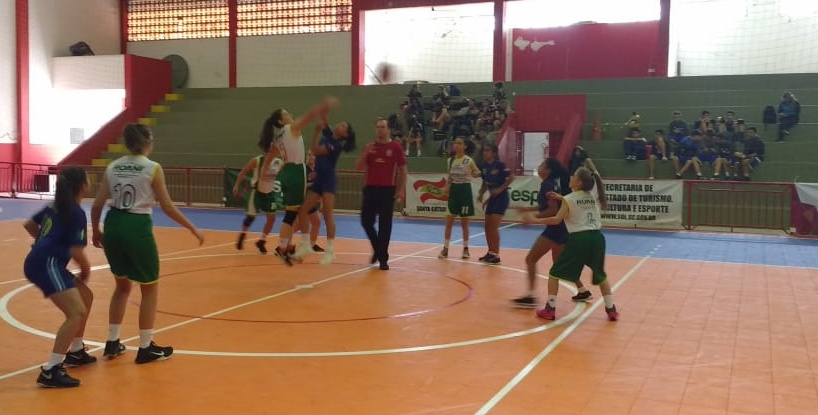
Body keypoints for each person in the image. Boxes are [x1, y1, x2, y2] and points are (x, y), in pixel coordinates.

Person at [91, 123, 205, 365]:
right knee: (149, 288)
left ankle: (112, 341)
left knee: (122, 287)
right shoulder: (152, 168)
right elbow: (167, 206)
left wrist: (95, 231)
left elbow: (97, 204)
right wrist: (191, 227)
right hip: (137, 226)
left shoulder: (113, 166)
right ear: (148, 142)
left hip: (113, 224)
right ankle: (145, 346)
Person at [23, 167, 94, 388]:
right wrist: (86, 270)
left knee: (86, 296)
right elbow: (76, 251)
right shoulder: (76, 212)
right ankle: (51, 370)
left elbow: (29, 225)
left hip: (41, 260)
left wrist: (45, 242)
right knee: (76, 312)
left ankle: (76, 350)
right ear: (82, 186)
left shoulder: (56, 206)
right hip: (47, 263)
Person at [522, 167, 619, 321]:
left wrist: (533, 220)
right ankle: (611, 309)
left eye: (574, 176)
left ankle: (550, 309)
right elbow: (577, 200)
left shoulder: (569, 199)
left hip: (579, 239)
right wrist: (562, 197)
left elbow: (556, 220)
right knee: (600, 275)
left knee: (554, 274)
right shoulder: (592, 195)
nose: (571, 177)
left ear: (578, 183)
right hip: (598, 238)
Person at [259, 97, 338, 265]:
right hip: (296, 171)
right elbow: (309, 115)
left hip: (286, 172)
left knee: (293, 212)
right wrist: (323, 105)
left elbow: (268, 159)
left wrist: (264, 175)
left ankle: (287, 246)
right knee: (299, 210)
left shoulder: (277, 137)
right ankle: (297, 245)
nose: (290, 115)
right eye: (286, 114)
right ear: (281, 121)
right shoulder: (291, 128)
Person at [512, 158, 591, 308]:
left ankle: (530, 296)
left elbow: (552, 210)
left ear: (548, 170)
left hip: (555, 229)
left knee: (531, 259)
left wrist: (532, 218)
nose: (539, 167)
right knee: (559, 263)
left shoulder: (547, 185)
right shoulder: (553, 183)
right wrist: (528, 209)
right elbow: (548, 206)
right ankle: (582, 290)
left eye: (542, 165)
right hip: (562, 227)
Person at [295, 114, 356, 265]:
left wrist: (316, 132)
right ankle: (305, 245)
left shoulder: (336, 145)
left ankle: (330, 251)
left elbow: (315, 150)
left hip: (328, 180)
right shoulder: (329, 135)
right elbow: (324, 120)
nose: (339, 125)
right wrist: (325, 106)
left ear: (345, 134)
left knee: (327, 214)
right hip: (319, 179)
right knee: (303, 210)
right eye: (340, 123)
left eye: (343, 125)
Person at [356, 117, 408, 270]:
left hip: (387, 190)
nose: (379, 129)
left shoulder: (395, 147)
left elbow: (403, 170)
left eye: (382, 127)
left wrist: (400, 190)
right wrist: (365, 153)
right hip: (370, 189)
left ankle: (383, 258)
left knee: (385, 224)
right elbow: (358, 167)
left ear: (388, 130)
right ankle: (377, 249)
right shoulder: (370, 146)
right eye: (377, 127)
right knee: (366, 221)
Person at [232, 134, 284, 254]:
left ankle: (262, 241)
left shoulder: (279, 162)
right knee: (251, 217)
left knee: (272, 219)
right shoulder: (257, 160)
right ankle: (243, 234)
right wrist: (236, 185)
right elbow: (243, 173)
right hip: (257, 193)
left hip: (269, 193)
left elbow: (287, 170)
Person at [438, 137, 482, 260]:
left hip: (464, 191)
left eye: (459, 143)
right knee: (449, 222)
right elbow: (450, 178)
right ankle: (445, 249)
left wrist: (477, 173)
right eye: (455, 143)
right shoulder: (450, 160)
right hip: (454, 191)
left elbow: (476, 172)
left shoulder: (469, 160)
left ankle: (466, 249)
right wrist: (446, 188)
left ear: (464, 146)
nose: (456, 145)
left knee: (464, 223)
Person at [476, 143, 513, 264]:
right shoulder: (483, 166)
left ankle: (496, 255)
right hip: (492, 198)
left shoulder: (500, 165)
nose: (485, 153)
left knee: (493, 227)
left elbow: (511, 177)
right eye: (484, 150)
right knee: (487, 227)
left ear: (494, 153)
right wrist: (482, 193)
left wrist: (500, 189)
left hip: (501, 198)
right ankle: (490, 252)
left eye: (487, 150)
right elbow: (485, 182)